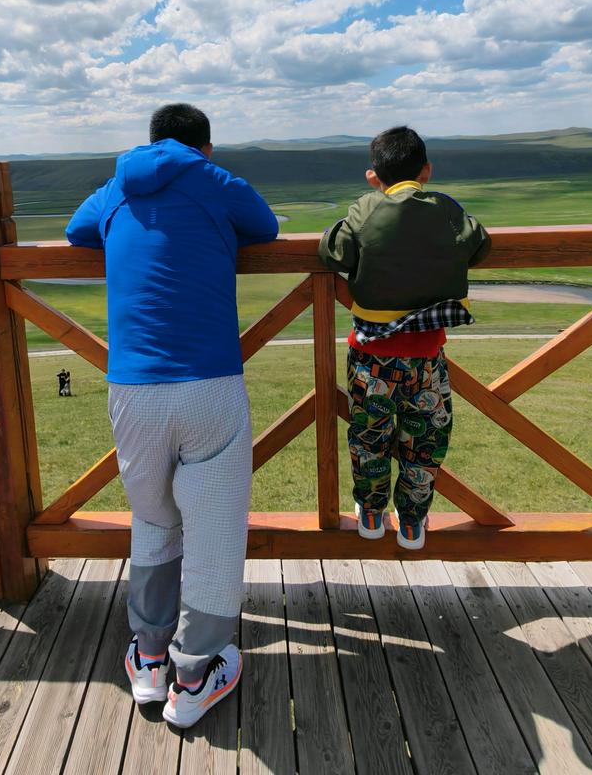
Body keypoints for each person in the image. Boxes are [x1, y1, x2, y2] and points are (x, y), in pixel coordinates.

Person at [66, 102, 277, 728]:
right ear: (205, 148)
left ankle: (150, 658)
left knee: (154, 517)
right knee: (212, 527)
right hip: (209, 381)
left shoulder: (116, 187)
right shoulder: (214, 180)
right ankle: (196, 671)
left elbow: (79, 231)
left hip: (133, 389)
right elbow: (263, 226)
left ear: (150, 140)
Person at [318, 126, 491, 551]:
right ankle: (413, 522)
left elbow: (333, 252)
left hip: (371, 359)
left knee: (369, 436)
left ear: (373, 176)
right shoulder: (446, 209)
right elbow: (479, 243)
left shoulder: (365, 208)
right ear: (426, 171)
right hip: (427, 358)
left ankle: (372, 514)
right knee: (425, 439)